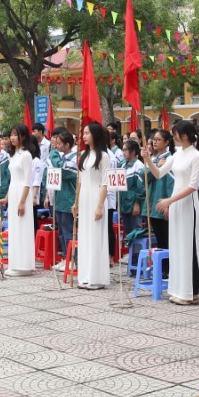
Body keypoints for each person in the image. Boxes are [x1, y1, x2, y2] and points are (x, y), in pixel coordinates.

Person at [143, 120, 199, 305]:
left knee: (188, 246)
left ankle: (191, 291)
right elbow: (159, 173)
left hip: (187, 205)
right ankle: (178, 288)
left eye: (175, 134)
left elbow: (193, 186)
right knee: (176, 245)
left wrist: (170, 200)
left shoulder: (196, 156)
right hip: (176, 204)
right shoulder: (177, 155)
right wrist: (147, 159)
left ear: (184, 135)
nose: (173, 137)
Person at [76, 122, 111, 289]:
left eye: (87, 133)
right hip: (84, 198)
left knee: (95, 235)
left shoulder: (104, 156)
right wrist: (76, 203)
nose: (84, 136)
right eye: (83, 133)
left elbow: (105, 183)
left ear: (95, 135)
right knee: (85, 235)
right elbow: (80, 180)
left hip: (96, 197)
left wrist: (100, 205)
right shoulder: (84, 154)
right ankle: (85, 274)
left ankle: (96, 277)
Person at [4, 125, 38, 277]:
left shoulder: (26, 155)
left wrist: (22, 201)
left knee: (22, 228)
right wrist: (6, 198)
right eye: (11, 135)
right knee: (14, 229)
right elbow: (13, 179)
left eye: (15, 135)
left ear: (23, 136)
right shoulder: (13, 154)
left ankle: (24, 266)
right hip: (13, 191)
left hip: (22, 193)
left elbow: (27, 181)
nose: (12, 138)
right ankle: (15, 263)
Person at [48, 131, 77, 258]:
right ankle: (66, 257)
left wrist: (53, 152)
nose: (57, 146)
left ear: (67, 145)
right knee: (61, 231)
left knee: (68, 231)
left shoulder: (74, 158)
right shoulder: (63, 157)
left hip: (68, 199)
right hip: (60, 199)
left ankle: (72, 259)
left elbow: (63, 171)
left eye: (59, 143)